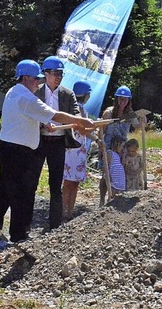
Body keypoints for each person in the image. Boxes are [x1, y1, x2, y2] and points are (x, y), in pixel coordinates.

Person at [0, 60, 95, 243]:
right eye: (36, 79)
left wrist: (49, 122)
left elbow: (33, 117)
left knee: (6, 190)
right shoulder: (26, 97)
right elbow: (55, 115)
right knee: (19, 193)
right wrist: (81, 122)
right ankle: (16, 234)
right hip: (16, 150)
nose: (38, 83)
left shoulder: (15, 92)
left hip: (12, 147)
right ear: (26, 78)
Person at [35, 56, 80, 229]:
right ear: (45, 74)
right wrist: (43, 123)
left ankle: (54, 224)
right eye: (55, 73)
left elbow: (76, 114)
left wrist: (77, 123)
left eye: (60, 73)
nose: (58, 76)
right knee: (32, 181)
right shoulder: (36, 92)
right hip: (39, 141)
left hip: (58, 142)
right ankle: (25, 223)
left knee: (56, 184)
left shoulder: (67, 94)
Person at [62, 81, 100, 221]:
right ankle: (67, 212)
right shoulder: (80, 110)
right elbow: (82, 129)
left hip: (71, 150)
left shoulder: (70, 107)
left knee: (69, 182)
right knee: (72, 183)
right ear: (86, 95)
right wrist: (96, 135)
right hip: (76, 150)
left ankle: (65, 211)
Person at [99, 135, 126, 205]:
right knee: (112, 191)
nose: (123, 149)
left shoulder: (119, 155)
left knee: (118, 192)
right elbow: (106, 165)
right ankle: (107, 202)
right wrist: (107, 175)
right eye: (122, 146)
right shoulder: (110, 153)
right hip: (112, 176)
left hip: (118, 177)